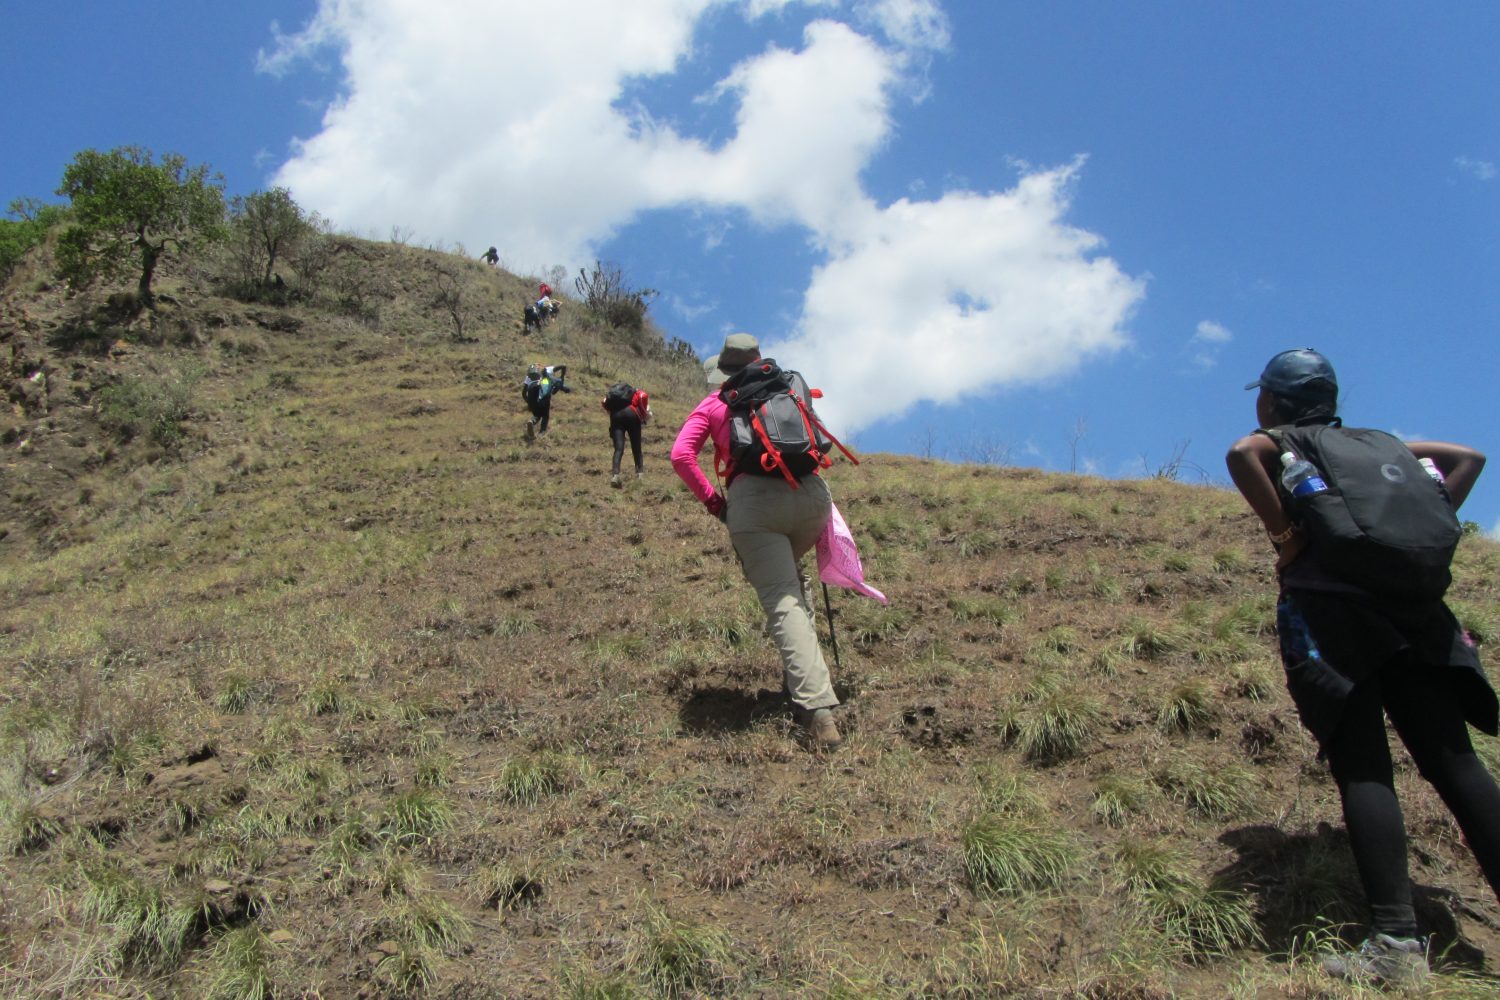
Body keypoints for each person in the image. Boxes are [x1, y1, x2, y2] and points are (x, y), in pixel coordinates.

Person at [1226, 348, 1500, 986]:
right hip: (1417, 613)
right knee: (1456, 763)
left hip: (1335, 617)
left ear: (1273, 400)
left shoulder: (1284, 441)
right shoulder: (1381, 445)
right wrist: (1431, 521)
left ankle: (1395, 946)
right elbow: (1470, 458)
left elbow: (1243, 454)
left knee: (1364, 765)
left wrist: (1286, 537)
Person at [671, 333, 842, 749]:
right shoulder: (787, 388)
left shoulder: (716, 403)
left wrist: (717, 505)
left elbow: (681, 455)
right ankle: (802, 678)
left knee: (782, 597)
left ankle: (817, 712)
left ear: (722, 372)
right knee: (794, 585)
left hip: (756, 506)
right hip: (812, 498)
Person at [602, 384, 651, 487]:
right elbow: (643, 396)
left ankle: (615, 476)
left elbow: (604, 402)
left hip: (616, 416)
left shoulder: (613, 395)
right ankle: (640, 474)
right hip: (631, 414)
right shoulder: (634, 391)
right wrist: (643, 413)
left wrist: (611, 412)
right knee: (636, 447)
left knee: (618, 449)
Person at [521, 363, 571, 439]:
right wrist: (562, 376)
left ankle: (531, 422)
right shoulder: (547, 369)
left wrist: (529, 403)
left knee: (537, 414)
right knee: (545, 415)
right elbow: (563, 366)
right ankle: (542, 433)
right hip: (543, 389)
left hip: (531, 392)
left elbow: (524, 393)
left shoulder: (528, 377)